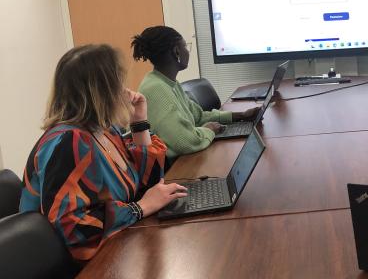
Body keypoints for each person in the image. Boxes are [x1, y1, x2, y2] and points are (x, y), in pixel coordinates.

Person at [20, 45, 187, 261]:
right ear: (103, 91)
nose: (124, 89)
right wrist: (140, 208)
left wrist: (139, 120)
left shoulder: (105, 130)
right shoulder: (69, 142)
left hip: (118, 245)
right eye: (118, 81)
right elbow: (72, 228)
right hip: (79, 268)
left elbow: (151, 182)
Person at [132, 26, 259, 160]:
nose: (187, 51)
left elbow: (198, 117)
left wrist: (241, 116)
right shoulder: (156, 88)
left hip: (184, 159)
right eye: (185, 46)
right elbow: (185, 142)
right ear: (176, 51)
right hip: (174, 167)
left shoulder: (167, 82)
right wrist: (210, 129)